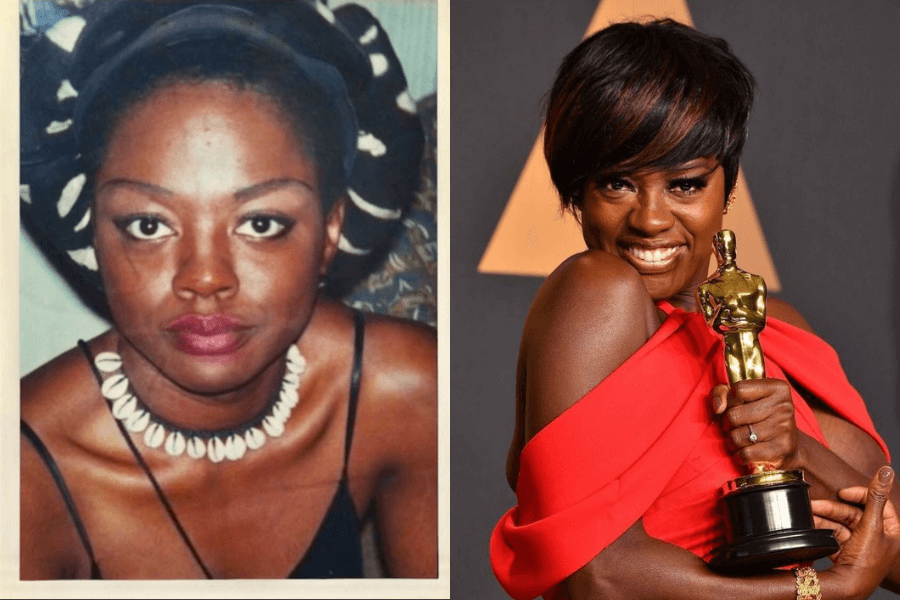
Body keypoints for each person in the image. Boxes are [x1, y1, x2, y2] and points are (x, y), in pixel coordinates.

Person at [20, 0, 436, 579]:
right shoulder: (24, 471)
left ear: (331, 230)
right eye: (148, 225)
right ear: (91, 232)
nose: (206, 278)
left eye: (261, 223)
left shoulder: (407, 393)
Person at [490, 19, 899, 600]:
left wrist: (796, 450)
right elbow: (595, 576)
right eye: (617, 184)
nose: (651, 219)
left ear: (726, 188)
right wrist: (819, 589)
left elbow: (891, 553)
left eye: (684, 184)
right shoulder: (595, 294)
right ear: (575, 194)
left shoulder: (779, 330)